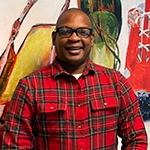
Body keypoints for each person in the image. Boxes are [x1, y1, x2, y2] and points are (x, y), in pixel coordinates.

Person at [1, 8, 147, 149]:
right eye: (65, 32)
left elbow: (136, 138)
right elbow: (14, 145)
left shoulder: (116, 82)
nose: (74, 38)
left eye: (83, 32)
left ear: (91, 39)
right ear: (54, 38)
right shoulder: (29, 87)